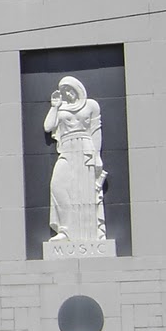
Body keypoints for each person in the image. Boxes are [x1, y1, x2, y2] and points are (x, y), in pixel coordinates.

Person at [44, 76, 106, 242]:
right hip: (66, 149)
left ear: (77, 88)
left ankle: (90, 233)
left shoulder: (91, 105)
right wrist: (55, 107)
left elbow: (95, 131)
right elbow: (48, 126)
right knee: (57, 185)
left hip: (85, 149)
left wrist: (97, 156)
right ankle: (65, 229)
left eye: (69, 89)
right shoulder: (61, 108)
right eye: (64, 91)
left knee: (85, 190)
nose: (68, 93)